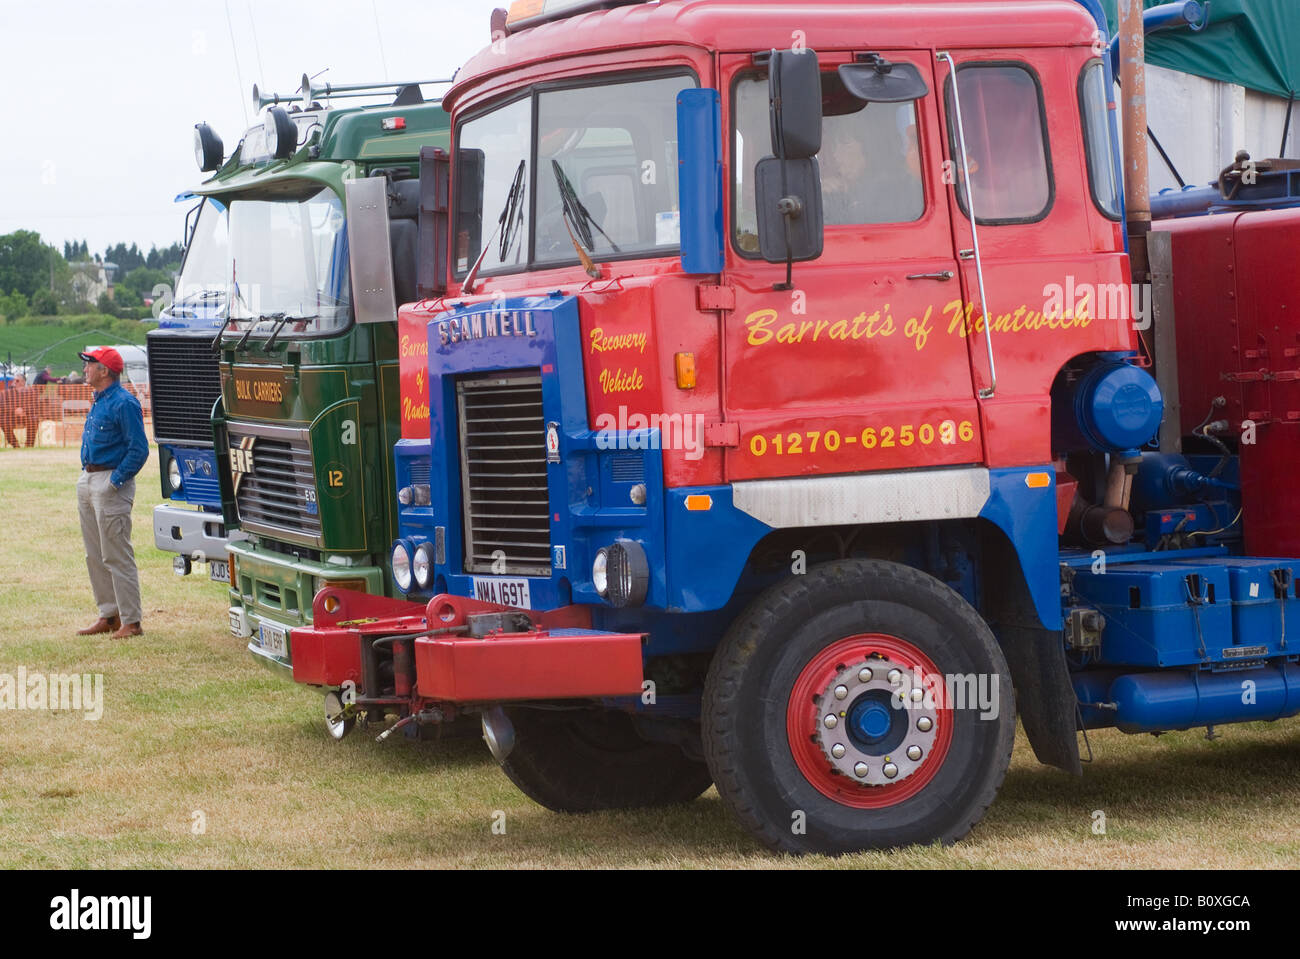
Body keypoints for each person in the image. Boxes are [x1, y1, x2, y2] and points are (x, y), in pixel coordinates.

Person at [76, 347, 149, 638]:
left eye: (89, 364)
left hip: (109, 483)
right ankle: (109, 615)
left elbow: (139, 450)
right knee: (94, 555)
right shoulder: (99, 400)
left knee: (116, 554)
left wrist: (115, 482)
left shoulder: (124, 403)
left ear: (104, 370)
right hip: (89, 478)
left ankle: (132, 621)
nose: (84, 369)